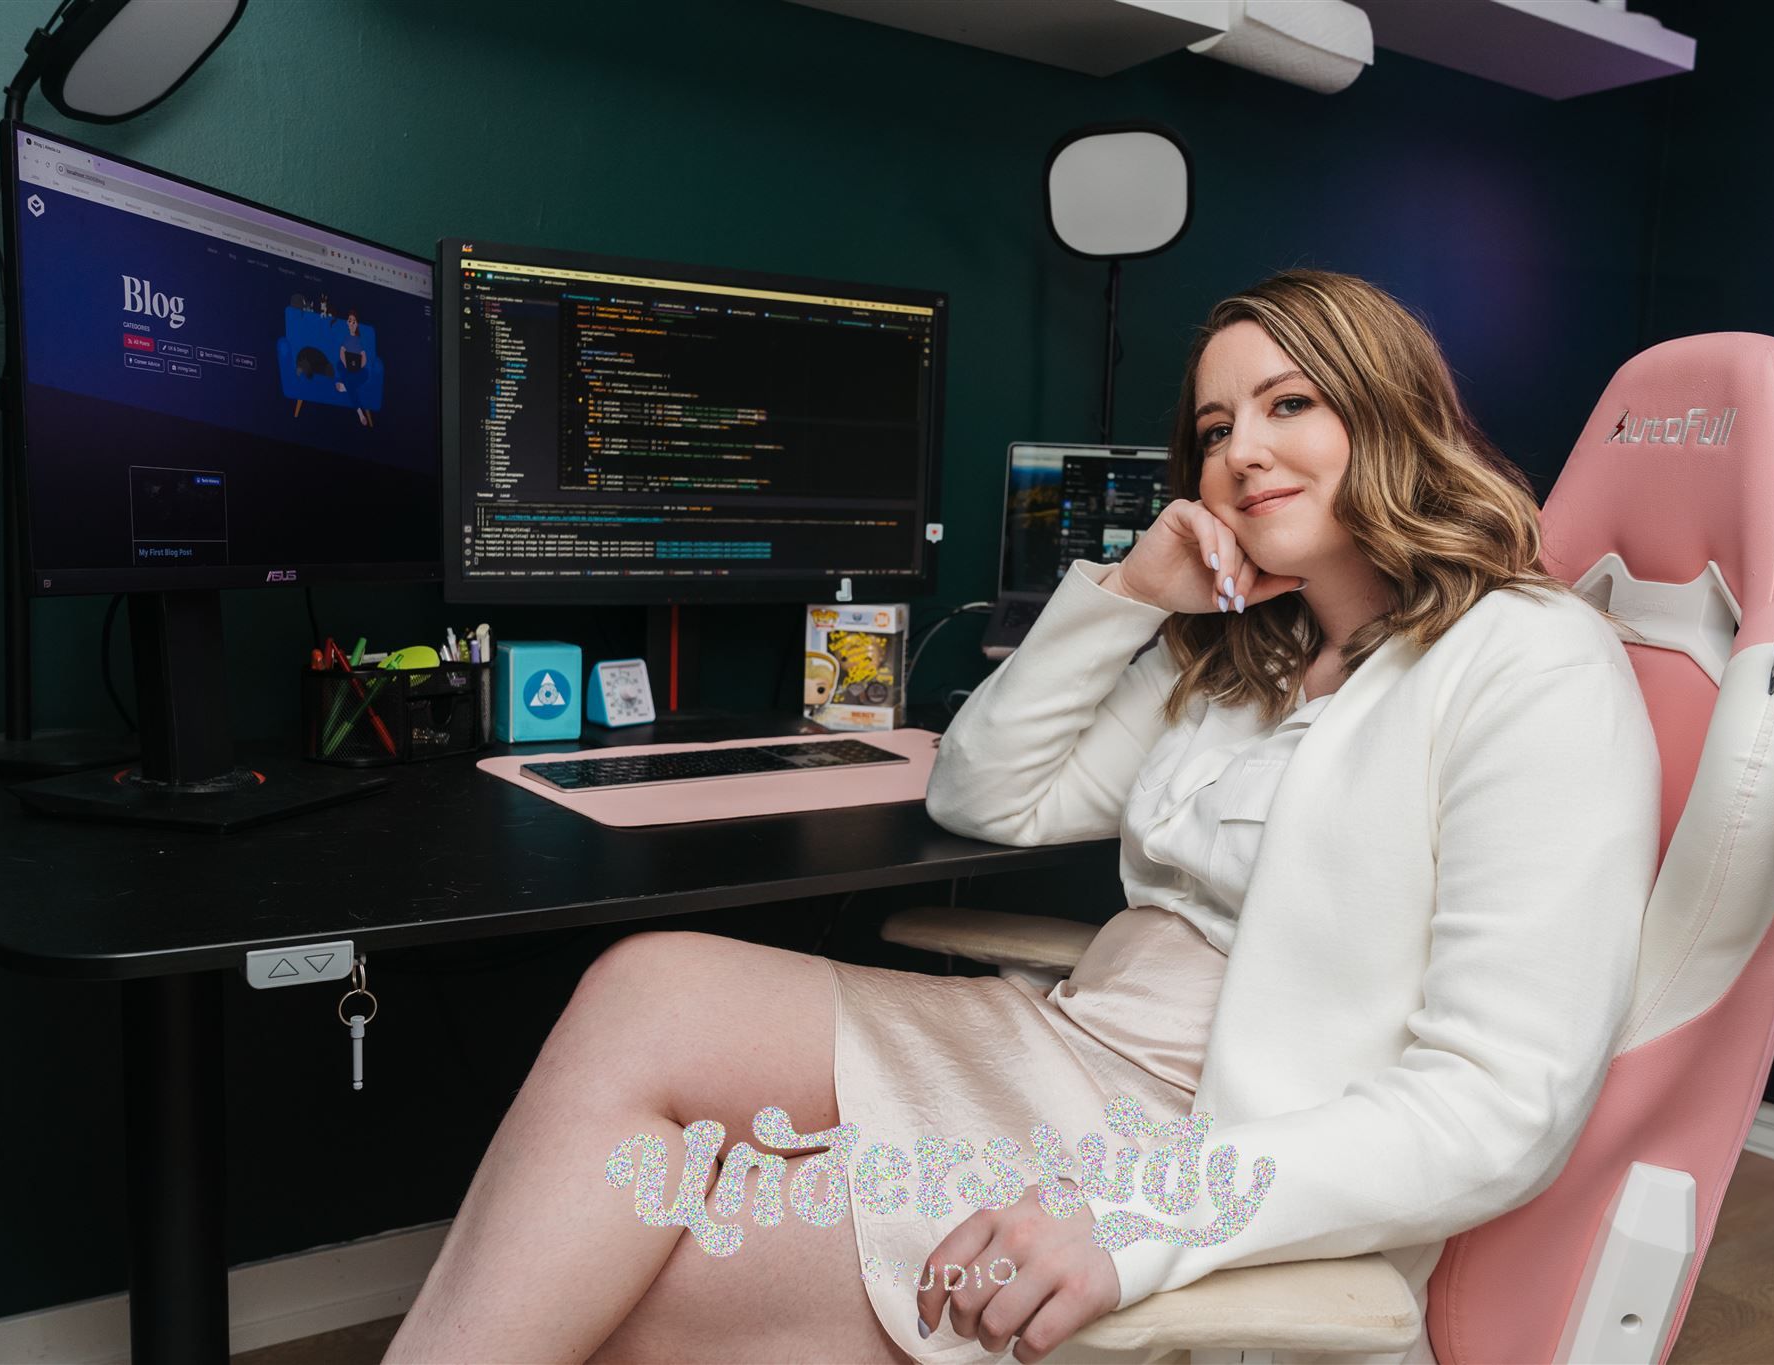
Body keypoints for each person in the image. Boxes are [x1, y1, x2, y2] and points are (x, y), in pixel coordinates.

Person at [382, 270, 1662, 1365]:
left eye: (1289, 404)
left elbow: (1495, 1106)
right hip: (1066, 1039)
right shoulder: (1239, 657)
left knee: (655, 1253)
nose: (1242, 451)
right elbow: (985, 792)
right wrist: (1125, 594)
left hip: (1207, 1127)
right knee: (647, 984)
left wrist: (1131, 1214)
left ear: (1390, 416)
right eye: (1214, 428)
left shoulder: (1528, 664)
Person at [336, 309, 372, 426]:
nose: (351, 323)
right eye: (349, 321)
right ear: (347, 323)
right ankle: (360, 413)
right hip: (346, 367)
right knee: (339, 365)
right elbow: (341, 353)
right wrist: (346, 364)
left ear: (356, 324)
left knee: (365, 373)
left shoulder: (359, 340)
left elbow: (364, 358)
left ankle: (345, 386)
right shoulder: (346, 338)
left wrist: (359, 367)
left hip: (356, 370)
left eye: (353, 321)